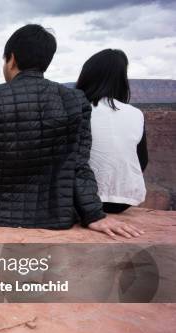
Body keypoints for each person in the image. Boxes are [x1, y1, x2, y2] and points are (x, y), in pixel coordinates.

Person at [0, 24, 142, 239]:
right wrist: (93, 215)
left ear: (12, 59)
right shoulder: (75, 100)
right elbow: (79, 166)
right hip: (56, 217)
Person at [76, 49, 148, 214]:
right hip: (123, 200)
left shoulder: (78, 109)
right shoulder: (136, 114)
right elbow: (142, 160)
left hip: (82, 198)